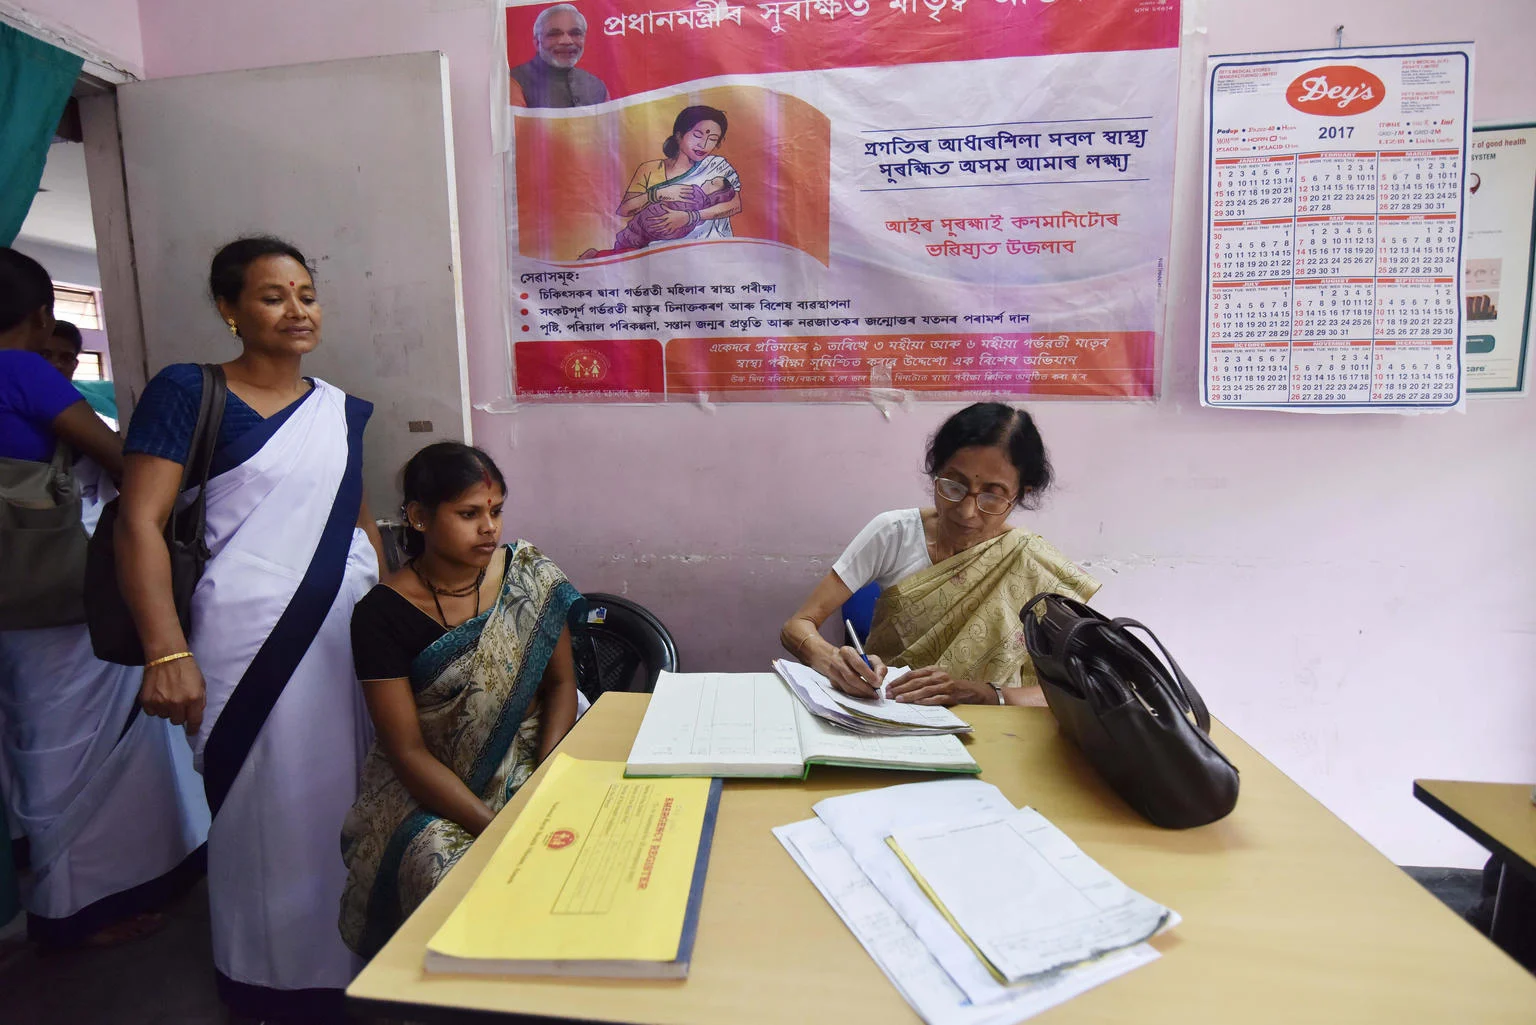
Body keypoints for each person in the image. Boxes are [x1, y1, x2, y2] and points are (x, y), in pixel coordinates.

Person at [115, 236, 385, 1019]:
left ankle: (352, 961)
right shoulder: (187, 392)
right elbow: (139, 522)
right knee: (264, 807)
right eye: (273, 295)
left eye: (305, 292)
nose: (296, 309)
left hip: (342, 640)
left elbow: (359, 527)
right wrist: (166, 650)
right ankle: (267, 980)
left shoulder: (339, 409)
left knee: (345, 799)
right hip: (244, 641)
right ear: (230, 310)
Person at [0, 246, 207, 947]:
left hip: (8, 602)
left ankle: (43, 888)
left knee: (30, 738)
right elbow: (128, 463)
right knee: (77, 745)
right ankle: (79, 908)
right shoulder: (19, 369)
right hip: (50, 598)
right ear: (37, 316)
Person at [339, 442, 581, 958]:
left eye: (495, 512)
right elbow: (406, 752)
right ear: (419, 518)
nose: (489, 528)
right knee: (441, 868)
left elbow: (562, 685)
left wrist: (545, 777)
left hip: (538, 757)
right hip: (436, 783)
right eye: (469, 514)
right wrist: (494, 829)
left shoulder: (526, 577)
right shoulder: (380, 615)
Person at [780, 403, 1098, 706]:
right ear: (936, 472)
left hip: (995, 729)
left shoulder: (1032, 564)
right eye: (953, 486)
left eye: (992, 496)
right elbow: (797, 625)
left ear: (1020, 495)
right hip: (891, 710)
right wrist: (832, 660)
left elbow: (1083, 689)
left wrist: (987, 695)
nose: (967, 511)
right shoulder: (894, 534)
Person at [580, 105, 742, 259]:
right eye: (698, 135)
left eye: (713, 139)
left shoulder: (717, 167)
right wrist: (657, 194)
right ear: (679, 135)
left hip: (708, 252)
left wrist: (689, 217)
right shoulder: (650, 169)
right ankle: (597, 257)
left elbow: (734, 205)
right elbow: (624, 210)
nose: (704, 144)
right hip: (655, 251)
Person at [509, 3, 609, 109]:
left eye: (575, 33)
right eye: (554, 34)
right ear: (537, 43)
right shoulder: (515, 82)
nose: (567, 41)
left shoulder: (597, 86)